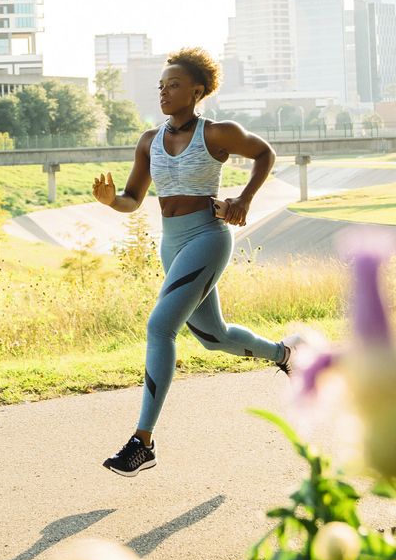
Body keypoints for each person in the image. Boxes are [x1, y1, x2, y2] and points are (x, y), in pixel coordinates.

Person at [91, 47, 291, 476]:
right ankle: (285, 354)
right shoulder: (148, 141)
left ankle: (142, 442)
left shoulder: (217, 133)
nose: (164, 92)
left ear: (196, 90)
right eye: (161, 86)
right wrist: (112, 202)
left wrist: (243, 198)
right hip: (172, 243)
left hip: (208, 237)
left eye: (174, 85)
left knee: (160, 326)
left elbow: (264, 154)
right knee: (213, 337)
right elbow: (132, 199)